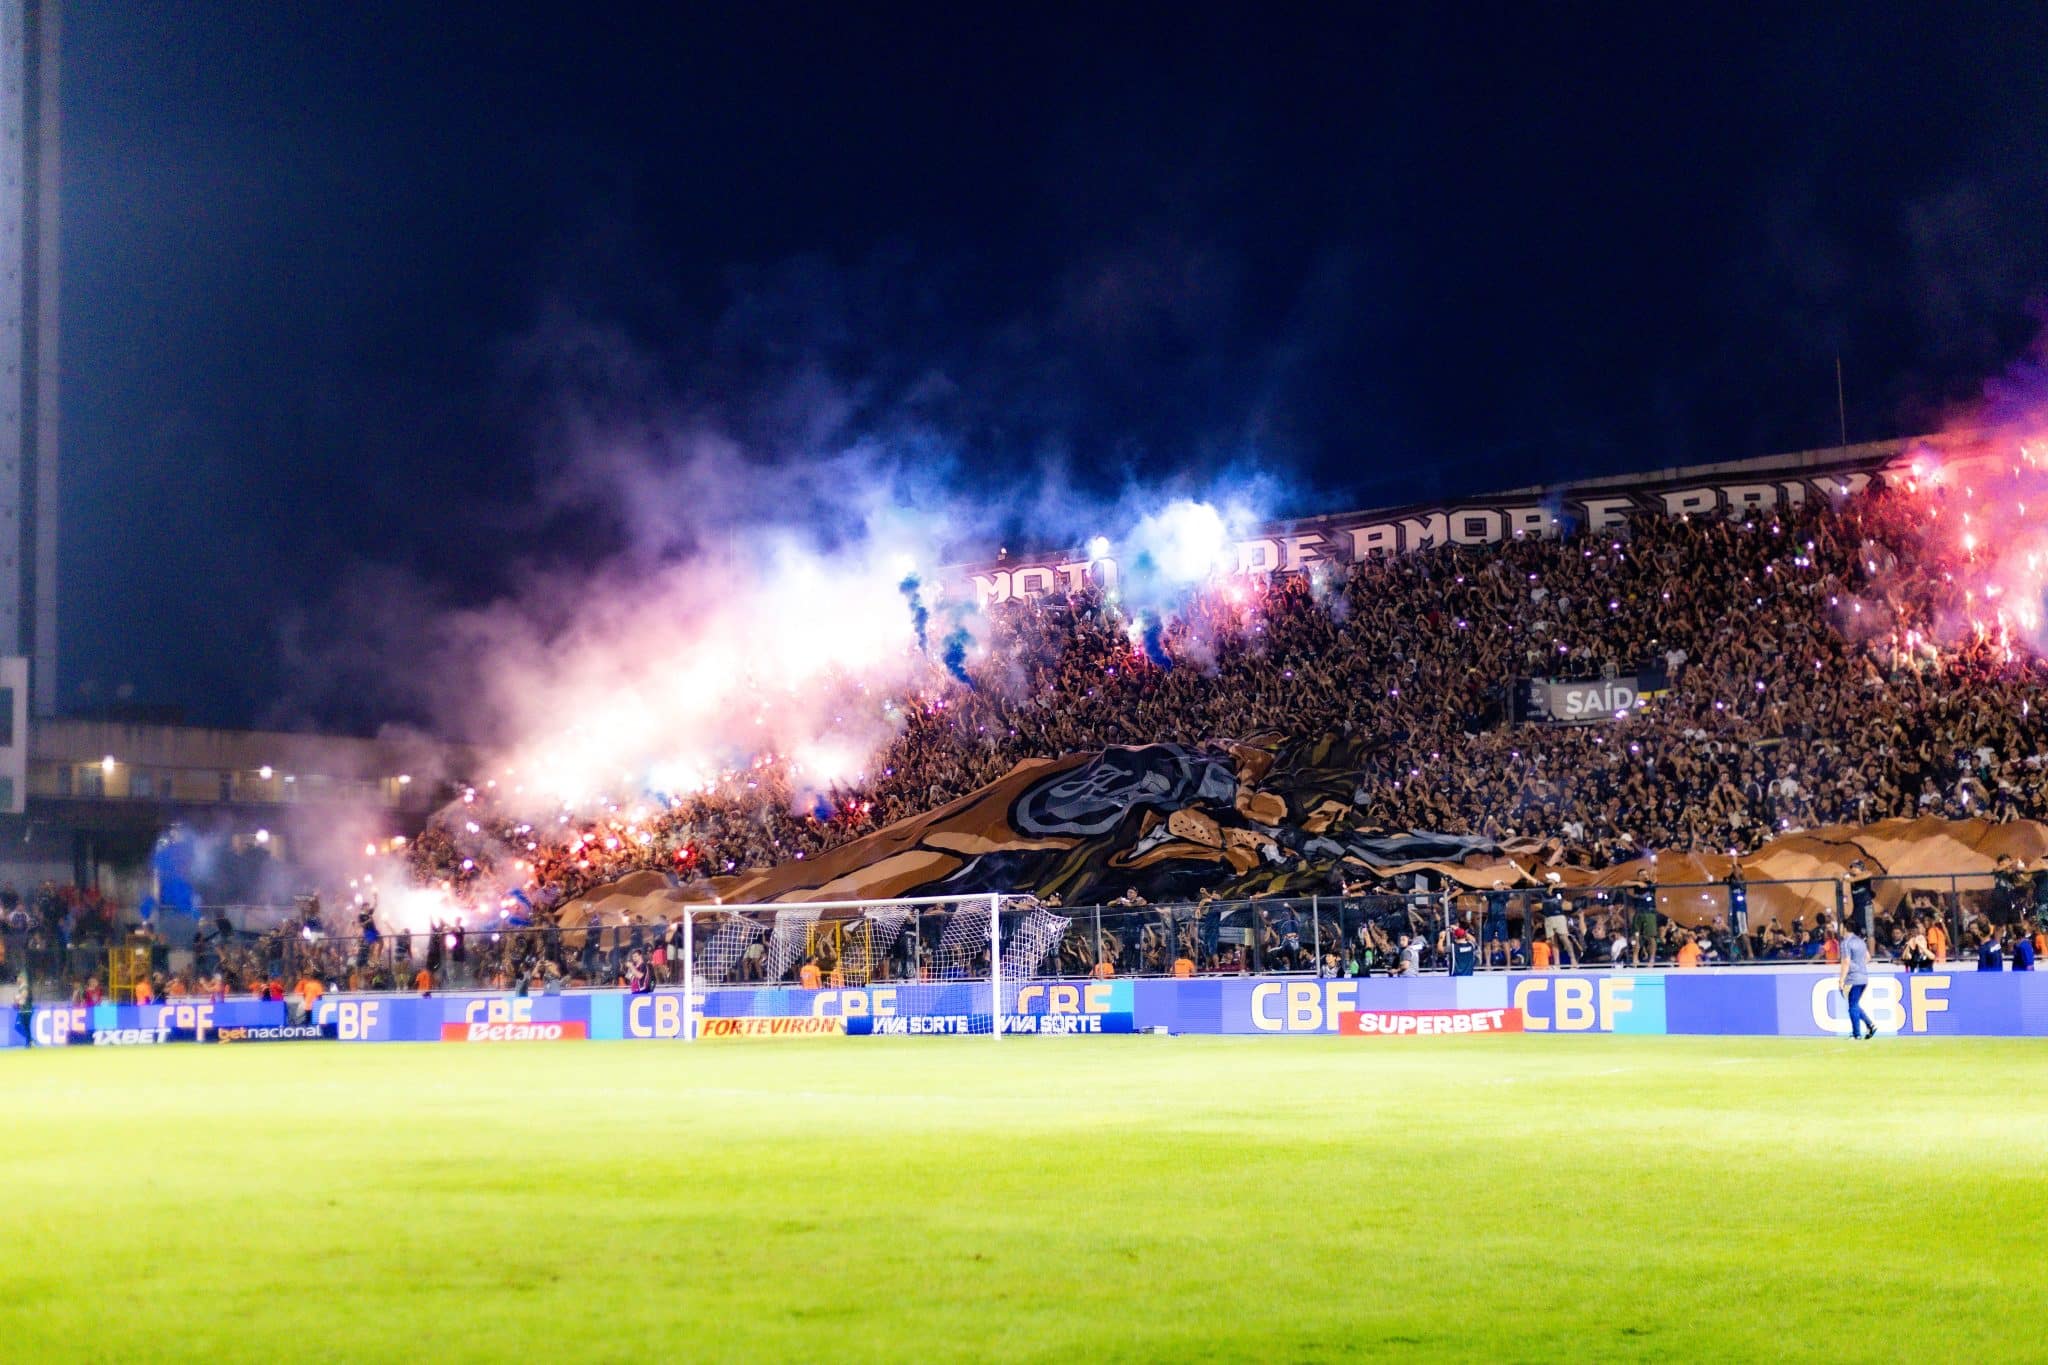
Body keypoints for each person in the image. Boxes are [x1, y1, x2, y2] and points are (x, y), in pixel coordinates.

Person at [1837, 918, 1876, 1040]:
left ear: (1844, 928)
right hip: (1864, 977)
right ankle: (1870, 1025)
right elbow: (1868, 957)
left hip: (1853, 978)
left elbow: (1846, 962)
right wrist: (1859, 966)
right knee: (1854, 1004)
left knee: (1852, 1006)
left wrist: (1841, 980)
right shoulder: (1860, 941)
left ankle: (1856, 1034)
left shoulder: (1846, 943)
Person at [1725, 861, 1751, 960]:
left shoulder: (1742, 880)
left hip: (1741, 909)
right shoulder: (1731, 879)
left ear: (1741, 870)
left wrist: (1736, 873)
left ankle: (1750, 954)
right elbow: (1725, 880)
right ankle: (1741, 955)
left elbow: (1742, 886)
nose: (1735, 870)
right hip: (1733, 909)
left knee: (1743, 931)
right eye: (1734, 869)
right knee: (1736, 934)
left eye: (1737, 869)